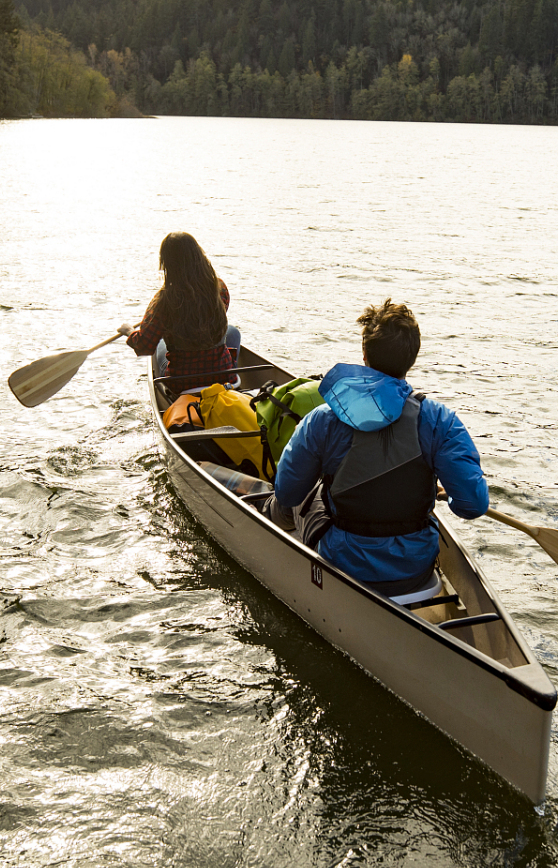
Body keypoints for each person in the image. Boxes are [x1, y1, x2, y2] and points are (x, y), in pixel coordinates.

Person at [273, 299, 488, 597]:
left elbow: (287, 492)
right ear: (412, 357)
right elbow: (473, 506)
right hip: (415, 568)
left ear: (365, 355)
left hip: (345, 562)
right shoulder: (441, 421)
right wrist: (445, 494)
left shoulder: (322, 420)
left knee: (302, 493)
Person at [119, 232, 240, 390]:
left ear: (167, 263)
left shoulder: (164, 300)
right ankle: (234, 375)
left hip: (183, 382)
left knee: (159, 342)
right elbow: (219, 314)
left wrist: (129, 331)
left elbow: (144, 346)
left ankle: (165, 392)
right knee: (232, 332)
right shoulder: (218, 287)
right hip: (224, 378)